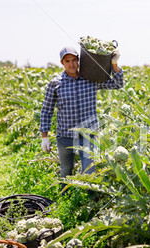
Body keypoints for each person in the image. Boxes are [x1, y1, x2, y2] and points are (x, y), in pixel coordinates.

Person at [40, 46, 124, 193]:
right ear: (62, 63)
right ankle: (66, 201)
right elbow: (47, 110)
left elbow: (117, 84)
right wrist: (44, 137)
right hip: (65, 135)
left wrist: (114, 64)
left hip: (88, 135)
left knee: (90, 172)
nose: (71, 64)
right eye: (68, 61)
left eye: (74, 60)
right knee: (66, 171)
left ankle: (90, 205)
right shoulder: (55, 83)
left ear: (79, 60)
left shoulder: (90, 78)